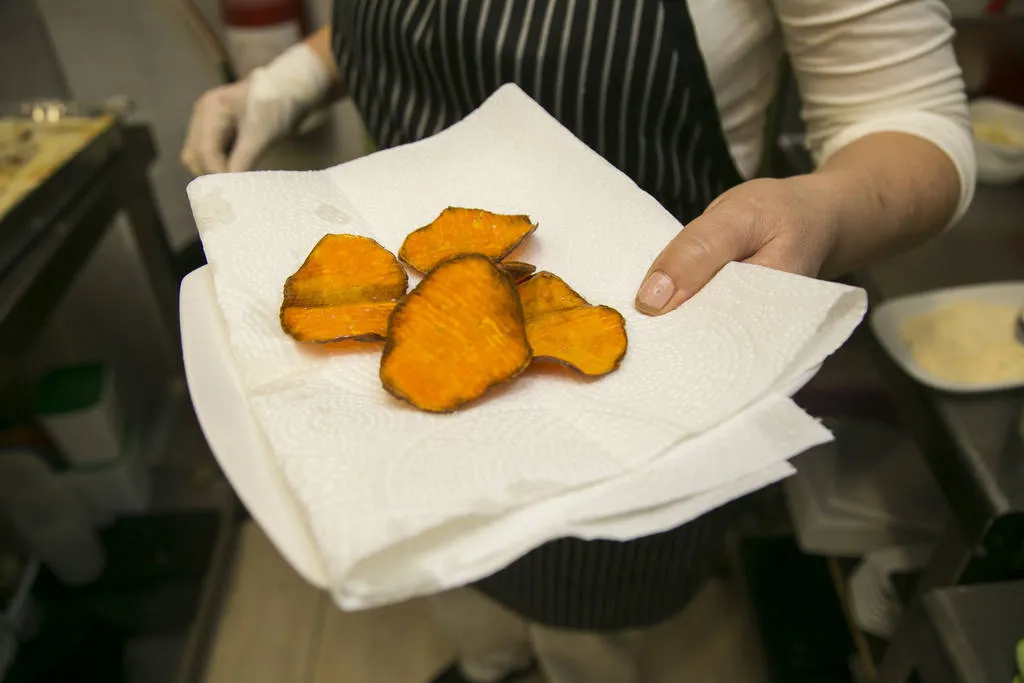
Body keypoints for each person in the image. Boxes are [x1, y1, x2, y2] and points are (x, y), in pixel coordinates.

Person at [182, 2, 976, 682]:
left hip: (643, 360)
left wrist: (825, 208)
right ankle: (491, 660)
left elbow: (912, 117)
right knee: (453, 575)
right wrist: (289, 81)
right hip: (410, 359)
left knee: (590, 623)